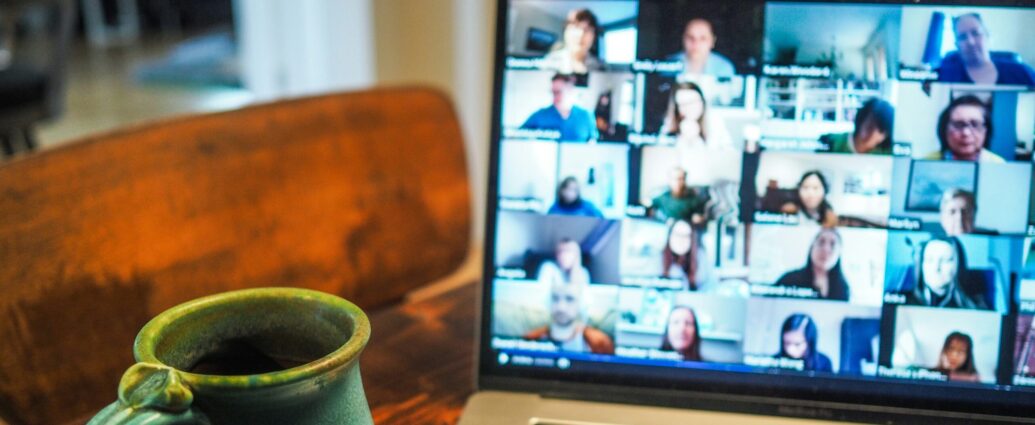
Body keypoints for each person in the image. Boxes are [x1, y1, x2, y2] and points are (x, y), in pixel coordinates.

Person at [523, 270, 615, 354]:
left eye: (569, 299)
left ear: (582, 303)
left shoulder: (600, 343)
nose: (561, 307)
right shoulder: (531, 339)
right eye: (555, 298)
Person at [937, 13, 1035, 86]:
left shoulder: (1021, 72)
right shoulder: (944, 77)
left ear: (987, 36)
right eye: (963, 37)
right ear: (956, 45)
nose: (971, 42)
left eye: (976, 33)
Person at [904, 237, 989, 310]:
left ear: (958, 265)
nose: (936, 268)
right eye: (929, 260)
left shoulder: (975, 306)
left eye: (945, 260)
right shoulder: (904, 300)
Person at [775, 228, 850, 301]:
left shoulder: (843, 288)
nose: (826, 249)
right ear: (812, 247)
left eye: (832, 245)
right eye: (821, 242)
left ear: (839, 253)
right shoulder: (788, 280)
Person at [924, 95, 1004, 162]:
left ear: (986, 130)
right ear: (944, 129)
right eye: (958, 125)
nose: (966, 133)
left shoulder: (998, 165)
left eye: (975, 124)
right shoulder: (927, 163)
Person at [521, 73, 598, 142]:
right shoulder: (540, 115)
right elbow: (519, 136)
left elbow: (592, 143)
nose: (554, 96)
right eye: (553, 92)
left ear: (570, 90)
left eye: (558, 92)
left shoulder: (586, 116)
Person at [660, 81, 733, 150]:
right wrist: (684, 139)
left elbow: (729, 154)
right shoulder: (669, 125)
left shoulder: (715, 121)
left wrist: (695, 140)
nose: (689, 108)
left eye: (693, 102)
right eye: (683, 104)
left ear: (702, 102)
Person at [820, 98, 895, 155]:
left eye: (880, 130)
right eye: (870, 125)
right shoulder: (832, 143)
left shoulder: (886, 155)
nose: (873, 133)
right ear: (861, 120)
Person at [665, 18, 735, 77]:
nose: (696, 43)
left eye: (703, 38)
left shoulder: (724, 68)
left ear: (712, 41)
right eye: (690, 37)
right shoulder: (667, 65)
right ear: (683, 39)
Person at [543, 8, 603, 74]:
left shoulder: (601, 67)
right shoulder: (548, 62)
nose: (580, 34)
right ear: (565, 31)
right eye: (576, 27)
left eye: (587, 30)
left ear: (594, 36)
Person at [662, 219, 713, 291]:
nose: (680, 240)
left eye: (685, 236)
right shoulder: (660, 258)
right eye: (677, 234)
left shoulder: (701, 258)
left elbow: (710, 287)